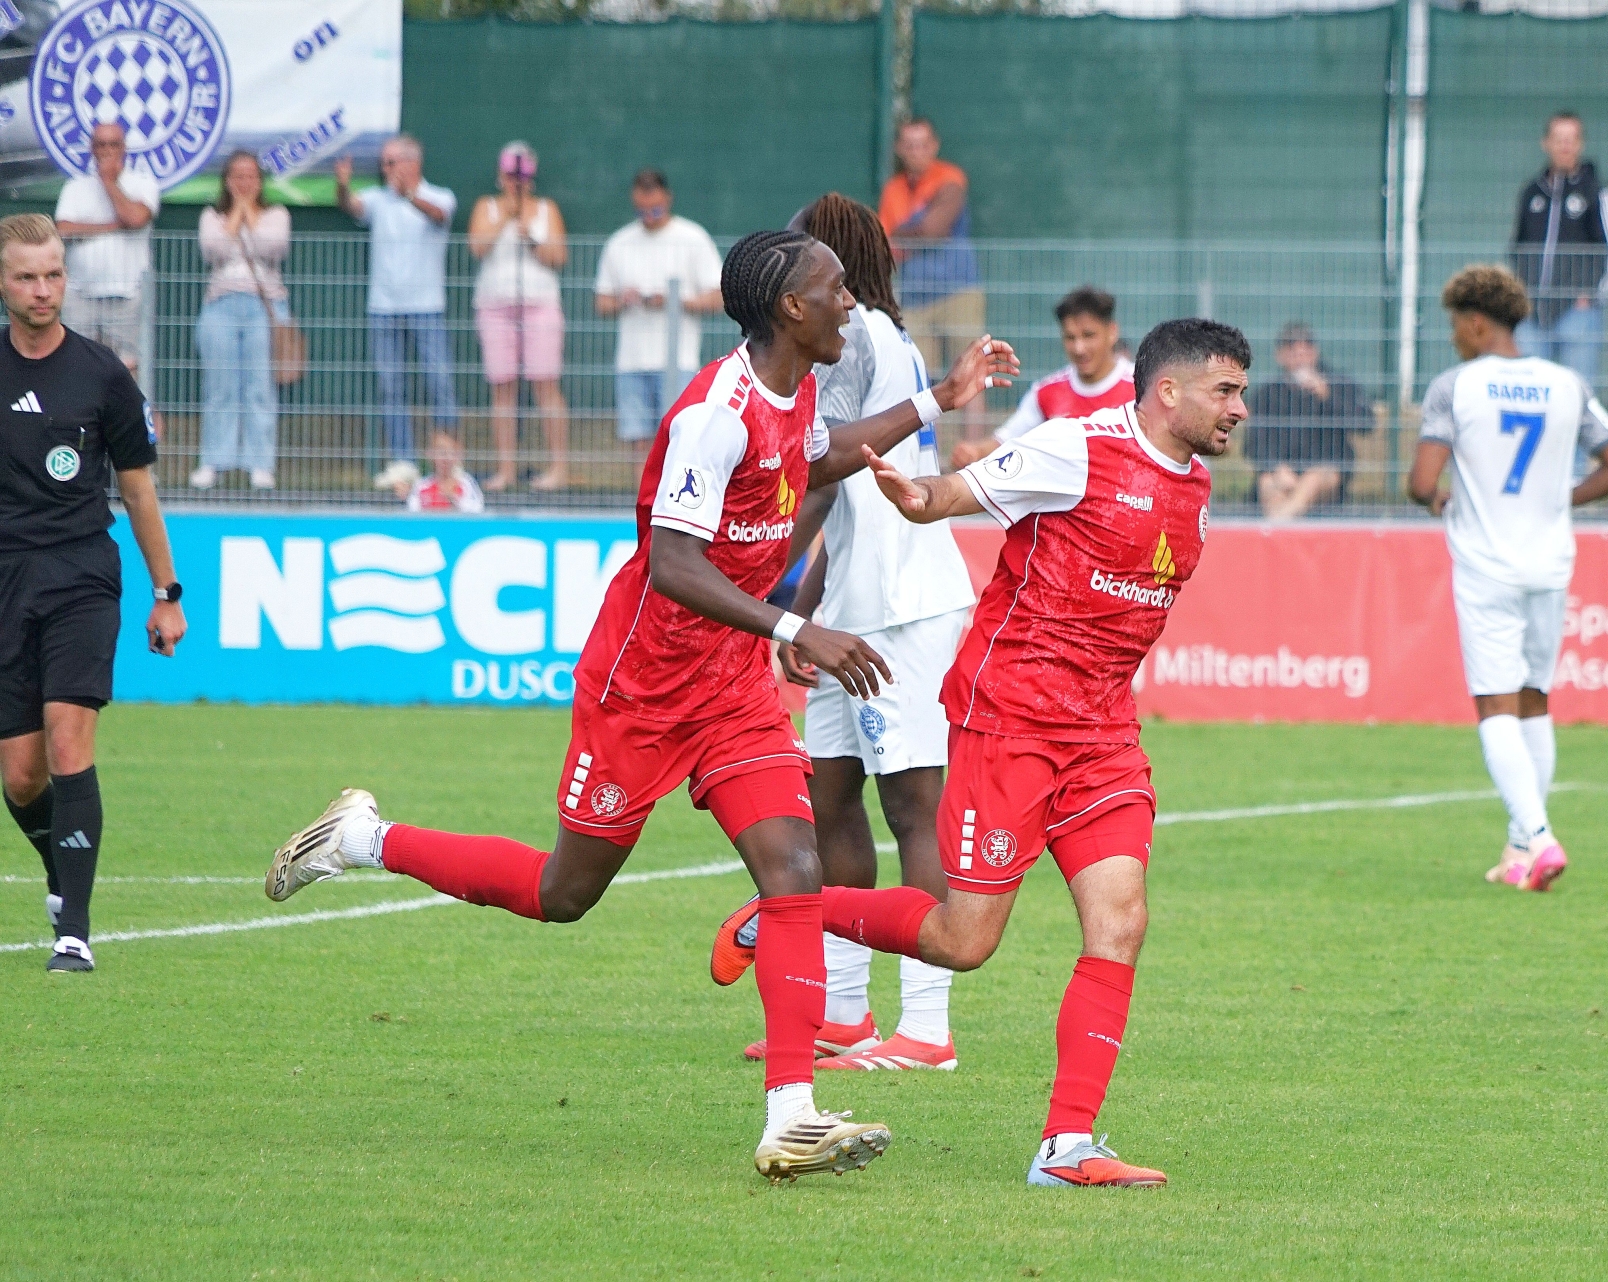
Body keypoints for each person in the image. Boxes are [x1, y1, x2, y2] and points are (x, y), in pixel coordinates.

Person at [263, 229, 1017, 1182]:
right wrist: (797, 627)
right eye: (835, 290)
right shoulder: (715, 415)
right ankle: (365, 839)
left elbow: (819, 456)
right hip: (644, 690)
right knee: (563, 894)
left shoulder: (794, 392)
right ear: (790, 309)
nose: (849, 303)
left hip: (731, 686)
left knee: (792, 869)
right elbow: (671, 564)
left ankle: (791, 1115)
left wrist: (937, 398)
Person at [712, 318, 1252, 1189]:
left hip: (1104, 735)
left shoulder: (1193, 483)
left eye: (1240, 392)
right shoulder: (1077, 448)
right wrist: (914, 495)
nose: (1239, 408)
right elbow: (947, 497)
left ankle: (1066, 1147)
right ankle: (788, 913)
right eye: (1225, 390)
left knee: (1121, 921)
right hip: (1013, 724)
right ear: (1169, 391)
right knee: (963, 941)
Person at [750, 193, 977, 1073]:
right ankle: (844, 1011)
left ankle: (926, 1026)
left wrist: (759, 585)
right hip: (856, 603)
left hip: (903, 605)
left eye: (808, 255)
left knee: (912, 807)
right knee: (832, 798)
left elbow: (818, 469)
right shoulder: (872, 338)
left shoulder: (864, 338)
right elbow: (842, 498)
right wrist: (803, 611)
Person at [1405, 265, 1608, 893]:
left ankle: (1539, 835)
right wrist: (1562, 500)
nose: (1453, 336)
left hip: (1487, 567)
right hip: (1550, 565)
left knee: (1495, 705)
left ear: (1478, 324)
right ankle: (1518, 849)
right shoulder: (1566, 383)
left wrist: (1435, 499)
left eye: (1456, 325)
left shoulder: (1455, 386)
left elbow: (1421, 482)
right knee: (1534, 700)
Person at [0, 214, 186, 973]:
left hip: (81, 576)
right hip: (6, 581)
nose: (42, 290)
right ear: (3, 283)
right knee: (21, 775)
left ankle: (73, 930)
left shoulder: (103, 374)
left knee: (69, 737)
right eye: (26, 277)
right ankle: (60, 869)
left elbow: (138, 492)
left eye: (53, 275)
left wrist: (167, 592)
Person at [336, 136, 459, 492]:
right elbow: (352, 206)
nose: (386, 169)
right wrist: (342, 185)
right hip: (383, 308)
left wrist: (409, 197)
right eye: (384, 163)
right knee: (391, 387)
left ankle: (449, 462)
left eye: (391, 162)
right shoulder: (378, 199)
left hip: (427, 307)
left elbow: (439, 215)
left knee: (440, 383)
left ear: (412, 163)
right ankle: (403, 462)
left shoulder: (440, 195)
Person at [594, 170, 724, 492]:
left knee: (678, 438)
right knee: (639, 441)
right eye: (642, 210)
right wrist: (625, 300)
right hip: (632, 360)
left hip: (679, 361)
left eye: (655, 208)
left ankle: (673, 504)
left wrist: (675, 301)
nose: (649, 216)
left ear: (667, 199)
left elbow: (718, 296)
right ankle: (644, 505)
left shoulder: (693, 238)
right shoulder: (620, 242)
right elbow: (602, 301)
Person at [469, 142, 570, 493]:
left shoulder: (545, 209)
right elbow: (478, 247)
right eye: (511, 176)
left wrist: (529, 234)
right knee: (503, 386)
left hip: (539, 303)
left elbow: (558, 256)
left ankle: (559, 468)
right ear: (500, 176)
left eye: (522, 176)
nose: (516, 183)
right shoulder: (486, 207)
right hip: (495, 304)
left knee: (545, 383)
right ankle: (506, 470)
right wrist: (507, 217)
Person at [878, 119, 984, 442]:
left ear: (934, 146)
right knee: (922, 381)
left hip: (958, 291)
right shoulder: (893, 190)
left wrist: (904, 234)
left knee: (971, 372)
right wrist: (911, 235)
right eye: (910, 145)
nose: (917, 152)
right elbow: (887, 243)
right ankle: (937, 454)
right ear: (899, 149)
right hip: (915, 298)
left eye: (923, 144)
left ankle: (973, 451)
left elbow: (934, 228)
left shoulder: (950, 178)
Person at [189, 152, 289, 493]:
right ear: (227, 181)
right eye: (237, 176)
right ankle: (215, 461)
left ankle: (260, 464)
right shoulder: (212, 216)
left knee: (260, 386)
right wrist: (237, 212)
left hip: (265, 306)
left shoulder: (277, 214)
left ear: (260, 181)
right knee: (221, 387)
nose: (244, 183)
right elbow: (213, 250)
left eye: (250, 176)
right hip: (221, 305)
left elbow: (272, 248)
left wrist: (250, 214)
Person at [951, 285, 1133, 468]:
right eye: (1070, 338)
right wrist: (976, 452)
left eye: (1089, 336)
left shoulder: (1139, 386)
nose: (1079, 348)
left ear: (1112, 332)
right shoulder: (1047, 392)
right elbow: (1006, 440)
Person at [1508, 112, 1608, 391]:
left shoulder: (1596, 192)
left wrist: (1592, 296)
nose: (1564, 146)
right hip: (1532, 315)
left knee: (1576, 393)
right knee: (1531, 391)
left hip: (1577, 313)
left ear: (1580, 144)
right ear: (1546, 143)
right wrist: (1520, 293)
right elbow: (1518, 246)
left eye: (1571, 139)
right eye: (1558, 139)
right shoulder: (1531, 192)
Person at [52, 122, 160, 382]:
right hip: (81, 294)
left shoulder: (143, 183)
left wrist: (109, 182)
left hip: (128, 294)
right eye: (101, 144)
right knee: (77, 369)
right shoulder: (75, 187)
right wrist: (113, 226)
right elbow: (63, 229)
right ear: (92, 148)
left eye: (113, 144)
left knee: (127, 373)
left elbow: (135, 218)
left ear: (123, 148)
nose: (107, 150)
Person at [1242, 322, 1375, 521]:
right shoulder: (1268, 393)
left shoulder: (1338, 384)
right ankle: (1281, 529)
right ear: (1280, 356)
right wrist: (1276, 467)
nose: (1300, 358)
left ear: (1315, 353)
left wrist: (1329, 396)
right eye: (1292, 352)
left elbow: (1366, 424)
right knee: (1268, 484)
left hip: (1326, 472)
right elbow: (1253, 444)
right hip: (1281, 471)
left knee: (1311, 481)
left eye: (1306, 351)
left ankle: (1277, 528)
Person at [395, 430, 484, 514]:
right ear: (430, 454)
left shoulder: (467, 484)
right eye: (441, 452)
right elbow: (413, 512)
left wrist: (454, 500)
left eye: (451, 452)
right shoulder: (422, 486)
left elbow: (477, 510)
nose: (446, 458)